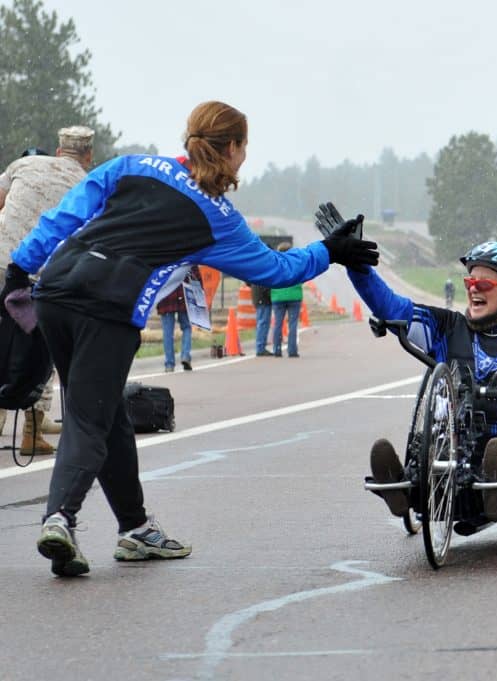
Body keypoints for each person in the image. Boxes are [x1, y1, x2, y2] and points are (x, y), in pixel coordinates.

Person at [0, 101, 378, 577]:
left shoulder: (134, 164)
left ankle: (135, 528)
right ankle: (60, 519)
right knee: (87, 417)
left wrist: (20, 266)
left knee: (106, 409)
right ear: (235, 148)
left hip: (54, 289)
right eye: (245, 146)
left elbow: (65, 214)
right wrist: (331, 250)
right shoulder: (216, 215)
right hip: (108, 309)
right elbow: (276, 268)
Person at [317, 203, 497, 529]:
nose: (473, 288)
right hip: (451, 447)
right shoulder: (447, 327)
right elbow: (391, 305)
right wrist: (356, 265)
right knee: (430, 461)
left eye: (485, 284)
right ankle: (407, 489)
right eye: (469, 282)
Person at [0, 127, 96, 455]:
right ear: (88, 155)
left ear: (58, 150)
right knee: (41, 348)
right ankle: (32, 431)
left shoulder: (24, 165)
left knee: (2, 340)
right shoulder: (87, 182)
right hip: (43, 275)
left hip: (2, 262)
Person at [156, 265, 200, 372]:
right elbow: (195, 274)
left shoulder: (159, 253)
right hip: (184, 294)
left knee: (167, 332)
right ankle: (185, 356)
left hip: (165, 296)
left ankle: (169, 364)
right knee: (186, 327)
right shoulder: (186, 251)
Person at [270, 242, 303, 357]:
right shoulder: (296, 263)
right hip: (294, 296)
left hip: (278, 296)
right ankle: (292, 350)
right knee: (293, 325)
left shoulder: (274, 263)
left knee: (278, 324)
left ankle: (277, 350)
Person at [251, 281, 273, 356]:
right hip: (263, 298)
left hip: (258, 296)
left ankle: (260, 346)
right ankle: (260, 348)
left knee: (261, 323)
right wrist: (271, 295)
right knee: (263, 323)